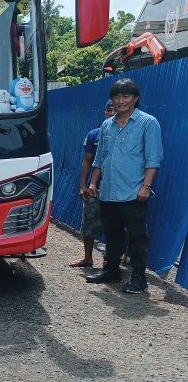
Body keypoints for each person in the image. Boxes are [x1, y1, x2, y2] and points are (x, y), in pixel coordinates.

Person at [86, 78, 163, 294]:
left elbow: (153, 159)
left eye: (126, 96)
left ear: (135, 98)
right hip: (108, 191)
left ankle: (139, 278)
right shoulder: (106, 125)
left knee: (137, 236)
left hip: (133, 191)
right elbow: (99, 158)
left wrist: (146, 187)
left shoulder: (148, 123)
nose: (120, 101)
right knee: (112, 232)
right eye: (116, 97)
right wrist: (93, 182)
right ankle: (112, 270)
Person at [70, 100, 115, 268]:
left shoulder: (127, 134)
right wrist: (83, 185)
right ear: (104, 112)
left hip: (117, 188)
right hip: (94, 188)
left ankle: (110, 260)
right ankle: (88, 258)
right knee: (89, 222)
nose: (112, 113)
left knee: (114, 224)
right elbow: (87, 160)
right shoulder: (94, 134)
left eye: (115, 110)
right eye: (109, 110)